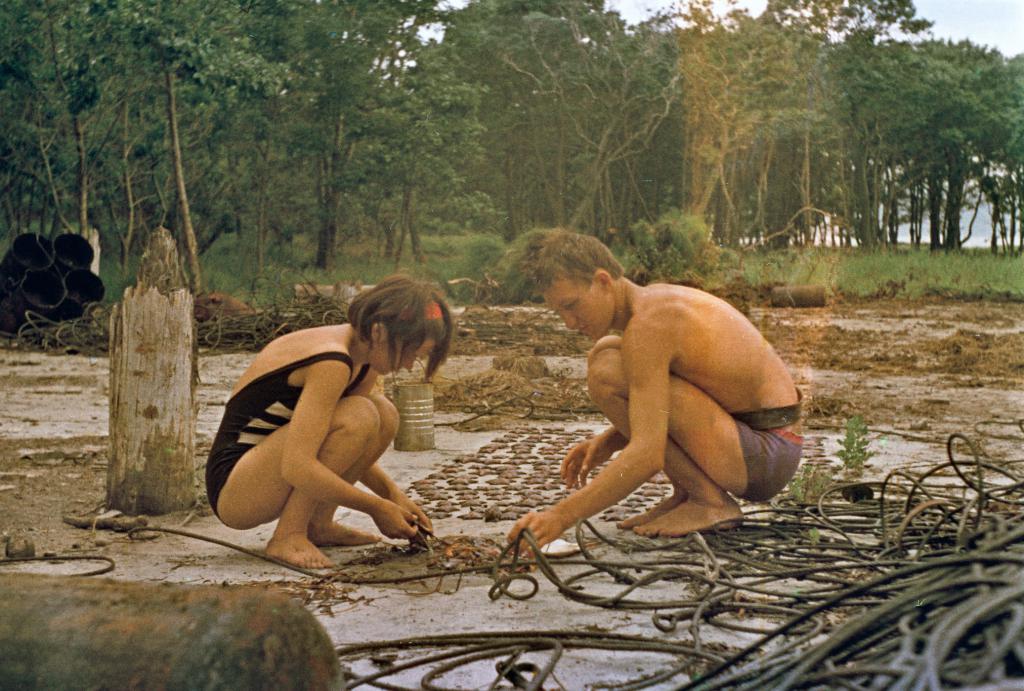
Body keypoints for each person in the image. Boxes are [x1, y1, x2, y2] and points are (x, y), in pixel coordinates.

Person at [507, 230, 802, 548]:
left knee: (607, 371)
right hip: (757, 447)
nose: (568, 322)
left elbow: (647, 456)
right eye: (558, 312)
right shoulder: (653, 303)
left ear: (604, 281)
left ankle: (709, 502)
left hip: (766, 456)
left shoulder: (649, 326)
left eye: (572, 305)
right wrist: (612, 438)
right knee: (607, 354)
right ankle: (690, 493)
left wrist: (559, 517)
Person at [205, 275, 452, 569]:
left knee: (383, 414)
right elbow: (298, 466)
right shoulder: (332, 361)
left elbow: (345, 445)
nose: (410, 364)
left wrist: (392, 495)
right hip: (236, 488)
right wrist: (376, 507)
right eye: (412, 353)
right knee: (360, 414)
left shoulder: (365, 359)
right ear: (380, 332)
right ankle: (288, 534)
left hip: (267, 471)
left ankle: (318, 524)